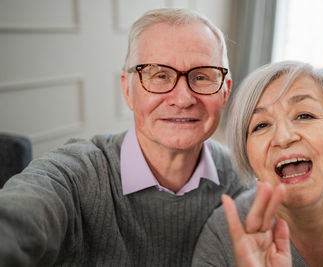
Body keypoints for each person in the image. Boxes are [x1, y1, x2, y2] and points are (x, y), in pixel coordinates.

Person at [0, 8, 246, 266]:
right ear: (127, 89)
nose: (183, 99)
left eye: (201, 77)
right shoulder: (75, 175)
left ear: (224, 92)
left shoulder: (241, 180)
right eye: (160, 75)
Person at [192, 61, 323, 266]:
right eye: (261, 125)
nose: (283, 137)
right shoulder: (224, 236)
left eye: (304, 115)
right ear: (248, 158)